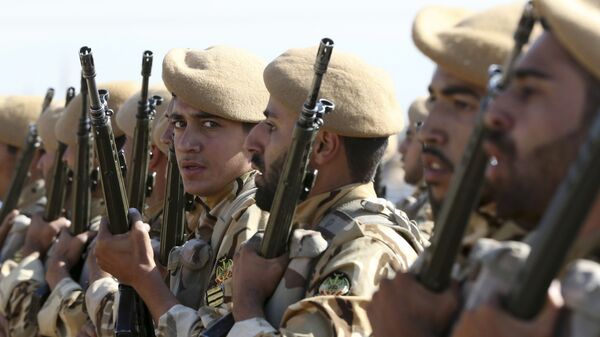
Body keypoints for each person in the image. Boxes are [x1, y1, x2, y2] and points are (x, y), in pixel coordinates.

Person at [224, 45, 425, 336]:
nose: (251, 142)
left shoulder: (364, 250)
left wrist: (247, 305)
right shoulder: (317, 231)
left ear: (321, 146)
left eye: (271, 126)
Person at [92, 45, 270, 337]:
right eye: (179, 123)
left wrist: (142, 278)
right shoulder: (213, 210)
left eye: (210, 124)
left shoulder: (251, 214)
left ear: (255, 136)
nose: (185, 143)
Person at [0, 81, 138, 337]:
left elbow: (22, 328)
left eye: (56, 150)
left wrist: (49, 265)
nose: (45, 163)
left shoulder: (116, 233)